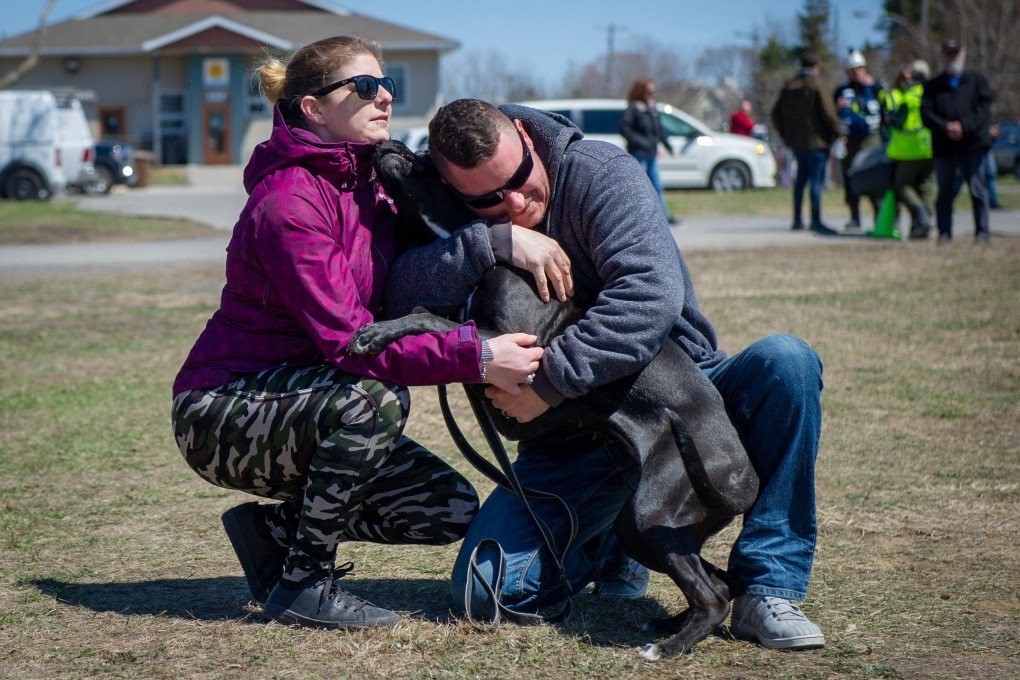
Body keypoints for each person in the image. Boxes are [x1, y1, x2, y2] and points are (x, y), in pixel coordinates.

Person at [385, 98, 828, 651]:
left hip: (676, 391)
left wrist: (549, 383)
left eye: (520, 180)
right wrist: (490, 241)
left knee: (786, 361)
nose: (517, 203)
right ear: (456, 190)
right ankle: (615, 540)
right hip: (572, 439)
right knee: (488, 592)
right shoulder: (460, 215)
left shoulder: (599, 172)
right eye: (490, 200)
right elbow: (398, 296)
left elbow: (648, 298)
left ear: (525, 135)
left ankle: (766, 585)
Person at [169, 36, 544, 630]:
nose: (385, 97)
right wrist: (476, 356)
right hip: (222, 409)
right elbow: (352, 343)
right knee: (372, 400)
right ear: (314, 109)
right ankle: (303, 584)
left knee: (445, 509)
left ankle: (272, 533)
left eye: (387, 82)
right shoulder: (288, 204)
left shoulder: (370, 181)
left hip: (306, 397)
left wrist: (500, 236)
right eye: (364, 87)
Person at [921, 39, 995, 244]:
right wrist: (946, 127)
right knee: (944, 191)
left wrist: (963, 125)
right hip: (945, 146)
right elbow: (926, 113)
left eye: (956, 53)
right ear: (943, 56)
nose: (952, 57)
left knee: (978, 190)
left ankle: (982, 232)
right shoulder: (933, 86)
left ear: (963, 54)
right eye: (948, 53)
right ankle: (944, 233)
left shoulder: (977, 81)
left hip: (972, 144)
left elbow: (983, 110)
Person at [771, 49, 844, 236]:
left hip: (797, 143)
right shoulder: (817, 85)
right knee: (816, 182)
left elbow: (775, 114)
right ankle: (816, 220)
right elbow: (829, 113)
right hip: (817, 142)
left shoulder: (790, 86)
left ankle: (797, 219)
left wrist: (786, 135)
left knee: (800, 181)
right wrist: (839, 133)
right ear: (816, 65)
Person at [879, 59, 935, 239]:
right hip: (929, 146)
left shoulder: (909, 94)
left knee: (902, 185)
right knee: (926, 186)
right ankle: (924, 224)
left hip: (909, 148)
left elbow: (897, 121)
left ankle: (922, 218)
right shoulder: (933, 92)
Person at [834, 49, 887, 230]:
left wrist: (877, 87)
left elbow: (888, 105)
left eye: (859, 68)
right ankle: (854, 217)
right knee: (850, 178)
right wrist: (837, 106)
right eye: (852, 69)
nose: (857, 72)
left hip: (871, 139)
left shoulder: (875, 87)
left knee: (873, 176)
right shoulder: (842, 91)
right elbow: (832, 114)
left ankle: (879, 218)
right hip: (850, 139)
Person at [619, 78, 680, 224]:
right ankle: (636, 218)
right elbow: (624, 128)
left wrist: (668, 146)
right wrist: (641, 143)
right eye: (650, 92)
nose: (653, 94)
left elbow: (659, 130)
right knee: (638, 185)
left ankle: (663, 217)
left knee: (657, 185)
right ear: (641, 92)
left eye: (654, 92)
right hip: (638, 153)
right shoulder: (634, 109)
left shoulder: (652, 109)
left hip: (651, 153)